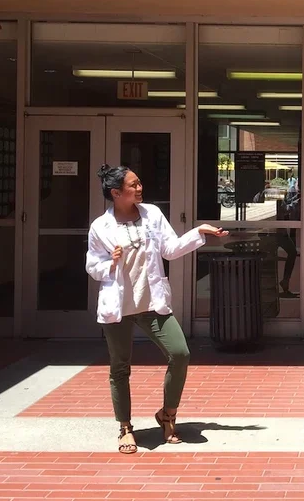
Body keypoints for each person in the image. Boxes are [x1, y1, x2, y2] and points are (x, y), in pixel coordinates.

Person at [86, 164, 229, 455]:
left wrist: (198, 232)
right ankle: (125, 427)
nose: (139, 188)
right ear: (116, 193)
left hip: (151, 301)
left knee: (180, 353)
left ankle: (167, 414)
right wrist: (109, 262)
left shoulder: (152, 213)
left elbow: (171, 249)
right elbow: (92, 267)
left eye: (139, 183)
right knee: (120, 367)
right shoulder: (100, 227)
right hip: (118, 306)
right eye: (133, 184)